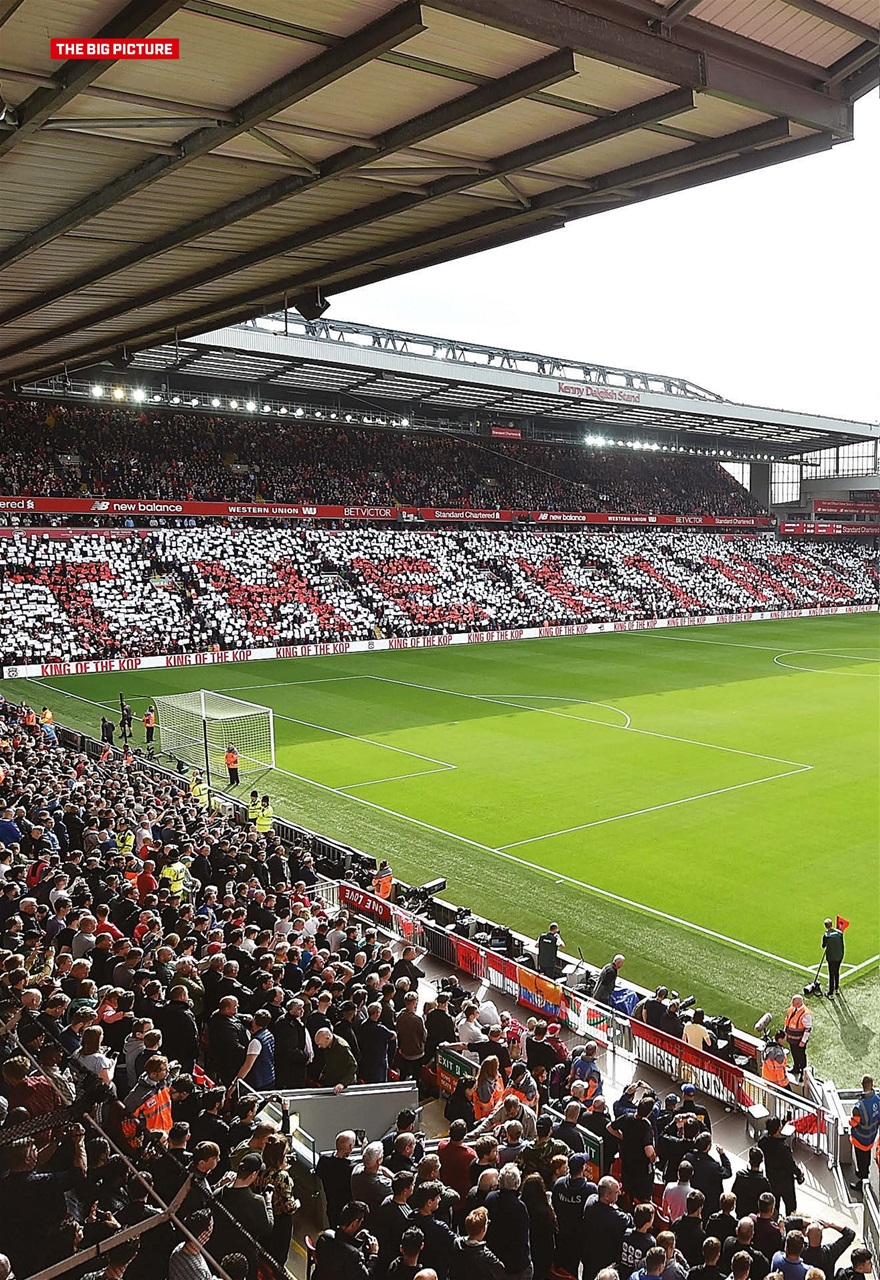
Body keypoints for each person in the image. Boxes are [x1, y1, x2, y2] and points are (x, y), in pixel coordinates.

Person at [486, 1164, 532, 1280]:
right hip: (516, 1266)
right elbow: (523, 1237)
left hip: (495, 1261)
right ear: (517, 1183)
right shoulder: (519, 1207)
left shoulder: (490, 1198)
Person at [313, 1200, 378, 1279]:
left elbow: (340, 1249)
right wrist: (373, 1255)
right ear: (354, 1223)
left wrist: (355, 1240)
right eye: (361, 1222)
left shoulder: (325, 1236)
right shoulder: (352, 1255)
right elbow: (366, 1277)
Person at [758, 1117, 801, 1216]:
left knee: (774, 1207)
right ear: (778, 1129)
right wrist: (799, 1173)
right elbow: (791, 1165)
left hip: (772, 1180)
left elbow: (764, 1139)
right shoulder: (783, 1149)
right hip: (786, 1183)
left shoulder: (764, 1142)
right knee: (791, 1207)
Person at [449, 1206, 504, 1279]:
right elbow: (501, 1270)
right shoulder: (487, 1257)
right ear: (483, 1229)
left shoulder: (456, 1243)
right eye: (487, 1223)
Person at [849, 1074, 880, 1192]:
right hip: (871, 1136)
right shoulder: (877, 1099)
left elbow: (854, 1123)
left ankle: (862, 1182)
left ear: (862, 1086)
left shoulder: (859, 1107)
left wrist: (849, 1121)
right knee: (866, 1158)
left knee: (861, 1160)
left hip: (860, 1138)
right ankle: (863, 1172)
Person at [730, 1149, 772, 1217]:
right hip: (756, 1215)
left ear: (749, 1161)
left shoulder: (740, 1176)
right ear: (761, 1161)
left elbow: (734, 1193)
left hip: (741, 1212)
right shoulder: (764, 1182)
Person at [783, 996, 812, 1080]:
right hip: (791, 1039)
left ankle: (803, 1073)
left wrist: (803, 1041)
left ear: (799, 1003)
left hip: (799, 1040)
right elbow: (787, 1021)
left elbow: (808, 1029)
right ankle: (796, 1068)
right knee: (794, 1054)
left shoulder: (805, 1014)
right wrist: (785, 1032)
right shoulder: (792, 1009)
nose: (792, 1004)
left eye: (794, 1003)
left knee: (801, 1056)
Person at [821, 918, 845, 997]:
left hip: (831, 957)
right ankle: (837, 988)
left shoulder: (826, 935)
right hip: (839, 955)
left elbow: (823, 945)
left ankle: (830, 993)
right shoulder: (840, 933)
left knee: (831, 974)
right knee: (837, 972)